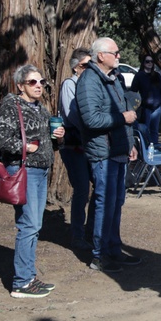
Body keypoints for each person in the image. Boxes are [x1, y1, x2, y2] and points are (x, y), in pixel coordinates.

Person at [0, 65, 65, 298]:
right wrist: (25, 147)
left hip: (40, 171)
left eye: (41, 82)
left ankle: (29, 277)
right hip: (25, 171)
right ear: (21, 85)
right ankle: (22, 282)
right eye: (32, 82)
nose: (38, 86)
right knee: (29, 226)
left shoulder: (41, 109)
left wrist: (57, 139)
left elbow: (48, 144)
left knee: (34, 226)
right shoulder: (12, 106)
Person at [76, 38, 140, 273]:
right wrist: (123, 118)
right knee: (105, 203)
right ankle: (99, 255)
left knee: (116, 203)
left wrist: (130, 143)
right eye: (116, 52)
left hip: (118, 151)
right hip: (103, 153)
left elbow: (123, 112)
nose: (119, 56)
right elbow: (91, 119)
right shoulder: (89, 81)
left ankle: (113, 249)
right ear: (101, 55)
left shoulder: (113, 79)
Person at [58, 48, 92, 250]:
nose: (88, 69)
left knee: (97, 189)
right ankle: (78, 236)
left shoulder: (89, 85)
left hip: (88, 144)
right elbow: (73, 116)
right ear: (75, 67)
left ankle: (92, 230)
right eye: (84, 65)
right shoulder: (70, 85)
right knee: (81, 190)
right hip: (74, 146)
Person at [129, 54, 161, 149]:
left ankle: (155, 150)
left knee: (155, 130)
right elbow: (133, 92)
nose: (150, 63)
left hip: (157, 108)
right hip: (146, 108)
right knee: (145, 130)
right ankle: (145, 150)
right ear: (143, 63)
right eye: (147, 61)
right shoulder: (139, 76)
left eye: (152, 62)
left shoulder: (157, 76)